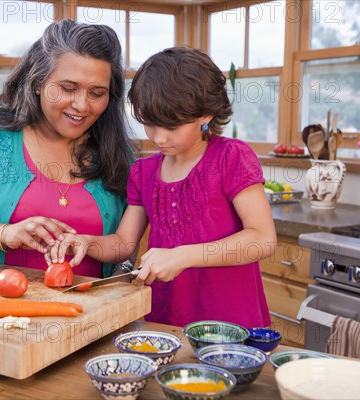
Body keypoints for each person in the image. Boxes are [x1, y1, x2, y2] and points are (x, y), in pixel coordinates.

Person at [50, 47, 276, 328]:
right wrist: (87, 242)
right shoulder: (143, 172)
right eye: (150, 124)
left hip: (230, 327)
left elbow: (262, 239)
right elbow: (123, 244)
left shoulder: (232, 158)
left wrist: (183, 256)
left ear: (205, 115)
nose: (158, 137)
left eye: (171, 127)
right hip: (165, 322)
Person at [0, 20, 133, 279]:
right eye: (67, 88)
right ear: (38, 82)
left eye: (96, 93)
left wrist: (123, 272)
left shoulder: (115, 152)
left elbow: (126, 245)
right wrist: (4, 233)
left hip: (92, 315)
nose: (82, 105)